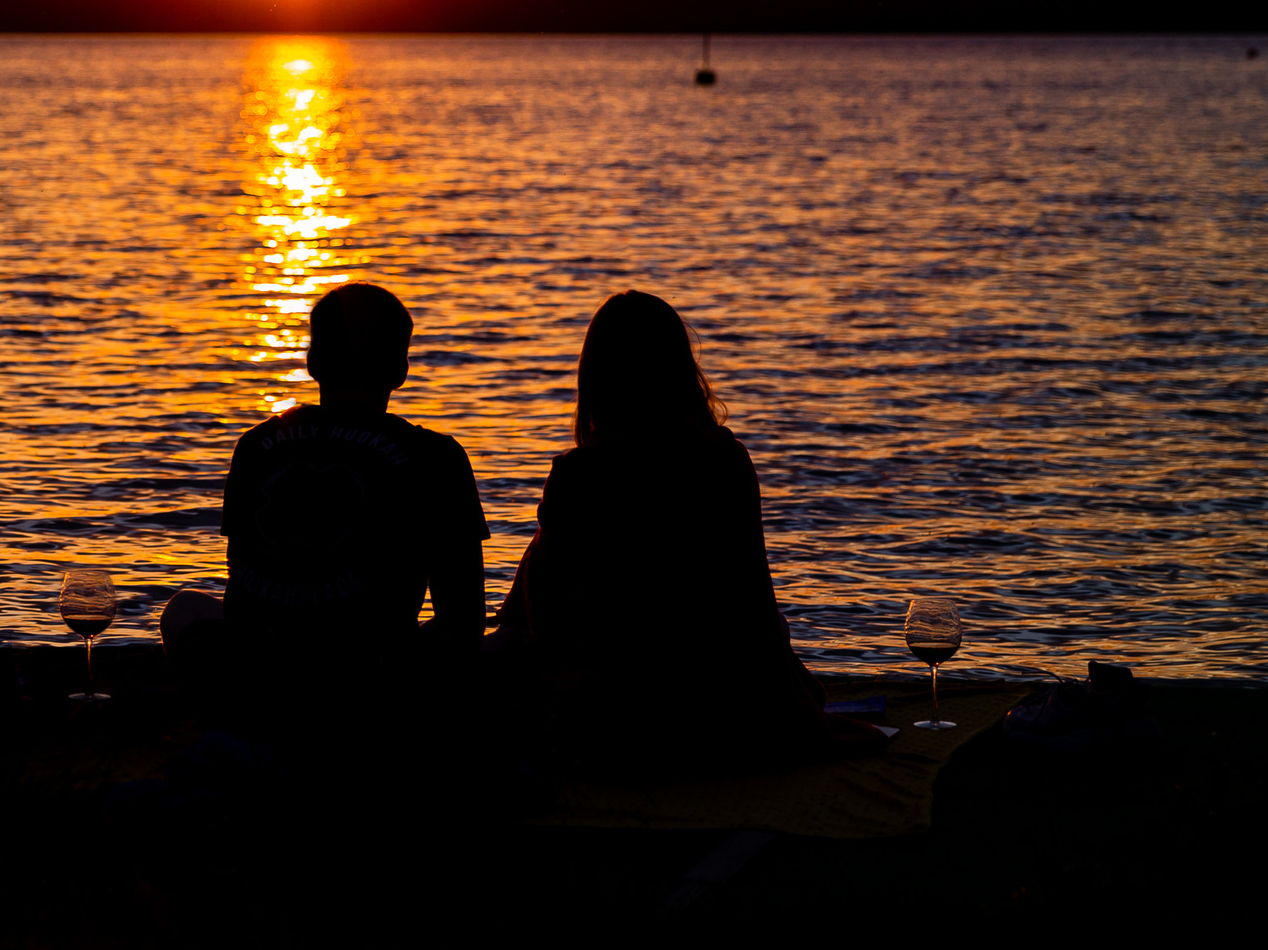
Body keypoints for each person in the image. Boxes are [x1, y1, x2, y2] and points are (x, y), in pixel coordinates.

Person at [488, 289, 884, 774]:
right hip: (729, 704)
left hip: (636, 717)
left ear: (597, 377)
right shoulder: (726, 458)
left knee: (512, 628)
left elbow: (543, 616)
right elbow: (753, 597)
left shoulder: (583, 473)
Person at [162, 282, 489, 695]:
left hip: (259, 682)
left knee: (185, 609)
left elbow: (242, 596)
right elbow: (463, 621)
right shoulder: (436, 456)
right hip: (370, 685)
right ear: (400, 370)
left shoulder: (256, 445)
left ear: (313, 362)